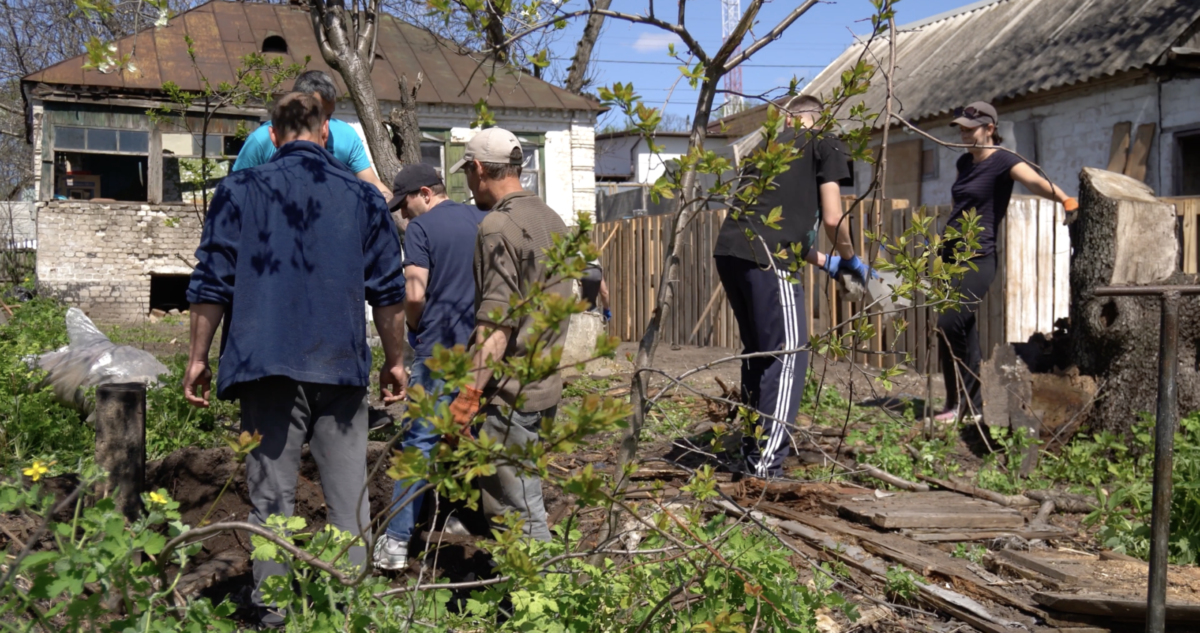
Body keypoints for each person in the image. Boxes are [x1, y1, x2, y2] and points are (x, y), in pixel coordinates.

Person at [182, 93, 408, 628]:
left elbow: (211, 280)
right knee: (349, 503)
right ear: (326, 131)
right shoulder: (361, 196)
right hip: (341, 367)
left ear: (273, 133)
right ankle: (352, 609)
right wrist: (395, 361)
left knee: (271, 501)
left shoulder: (239, 189)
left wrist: (196, 357)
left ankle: (274, 614)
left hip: (267, 368)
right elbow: (389, 291)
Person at [712, 94, 869, 479]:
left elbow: (773, 224)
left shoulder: (765, 152)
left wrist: (824, 262)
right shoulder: (824, 142)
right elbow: (832, 218)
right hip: (769, 259)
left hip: (731, 254)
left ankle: (752, 452)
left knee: (760, 354)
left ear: (788, 120)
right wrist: (848, 258)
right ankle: (766, 467)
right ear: (814, 119)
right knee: (788, 356)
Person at [446, 127, 572, 542]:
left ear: (479, 169)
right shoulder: (551, 219)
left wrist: (468, 396)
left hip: (511, 395)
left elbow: (496, 326)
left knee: (517, 513)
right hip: (545, 385)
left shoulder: (498, 225)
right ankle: (533, 595)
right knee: (524, 496)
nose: (467, 181)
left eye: (467, 171)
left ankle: (544, 600)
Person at [930, 101, 1077, 425]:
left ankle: (963, 405)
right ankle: (967, 404)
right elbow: (959, 204)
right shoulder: (963, 162)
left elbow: (1035, 182)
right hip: (951, 256)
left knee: (949, 322)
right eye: (962, 129)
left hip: (979, 258)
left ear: (990, 129)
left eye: (970, 129)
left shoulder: (1004, 161)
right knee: (959, 331)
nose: (964, 134)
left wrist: (1065, 198)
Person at [373, 163, 488, 570]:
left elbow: (415, 293)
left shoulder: (422, 230)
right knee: (473, 436)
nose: (403, 215)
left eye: (404, 205)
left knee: (420, 443)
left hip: (439, 350)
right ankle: (473, 525)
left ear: (425, 192)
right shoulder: (484, 219)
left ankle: (396, 543)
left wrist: (417, 330)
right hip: (485, 353)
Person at [232, 70, 392, 200]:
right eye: (318, 116)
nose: (325, 126)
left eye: (329, 116)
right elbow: (237, 192)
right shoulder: (260, 142)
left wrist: (397, 205)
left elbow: (372, 183)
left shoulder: (346, 137)